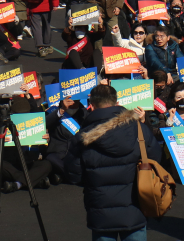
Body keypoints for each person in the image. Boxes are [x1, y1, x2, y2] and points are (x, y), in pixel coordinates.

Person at [64, 84, 160, 241]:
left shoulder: (83, 137)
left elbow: (73, 174)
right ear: (117, 103)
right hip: (135, 205)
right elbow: (155, 158)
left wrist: (93, 182)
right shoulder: (138, 128)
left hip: (100, 208)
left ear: (91, 106)